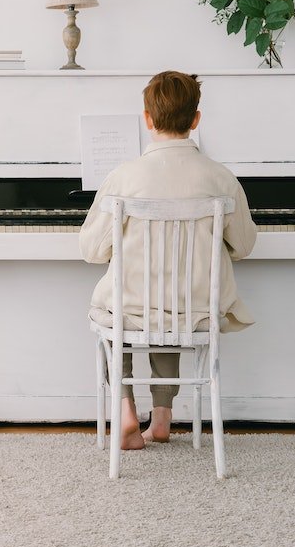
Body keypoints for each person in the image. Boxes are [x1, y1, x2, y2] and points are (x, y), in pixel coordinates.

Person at [78, 71, 257, 451]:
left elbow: (91, 251)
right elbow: (243, 245)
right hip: (195, 310)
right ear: (196, 119)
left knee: (119, 310)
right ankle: (162, 419)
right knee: (172, 304)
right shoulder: (222, 178)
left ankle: (125, 408)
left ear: (147, 119)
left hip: (135, 308)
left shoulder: (122, 178)